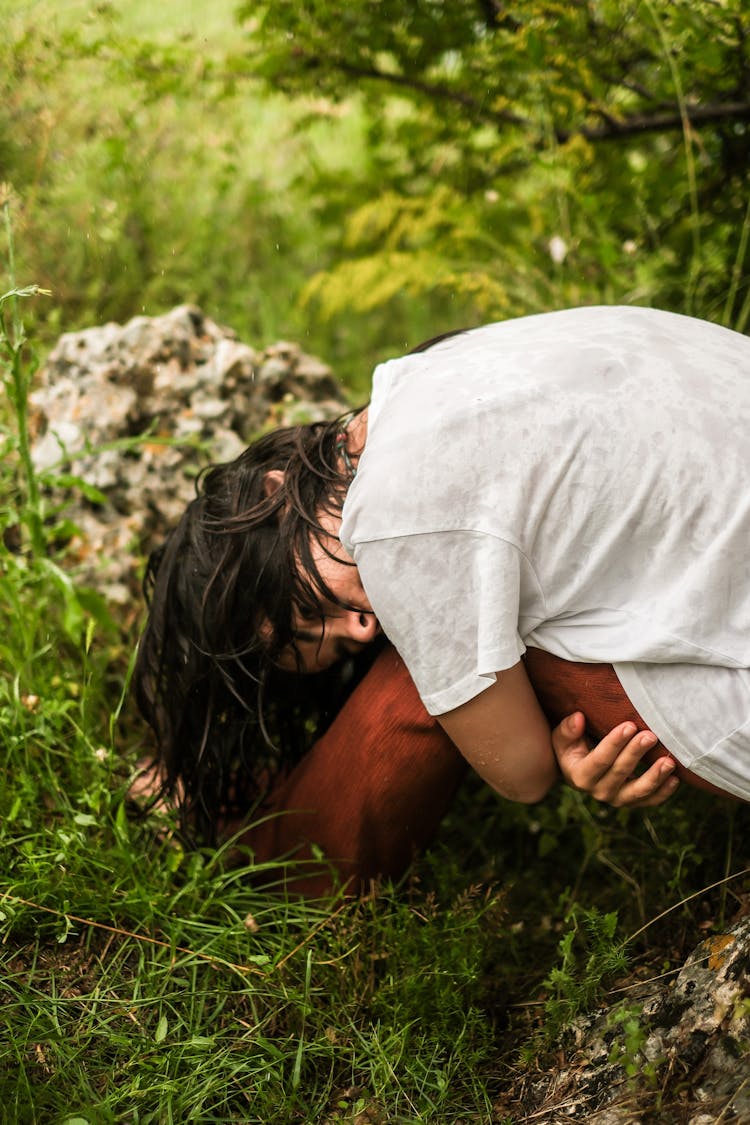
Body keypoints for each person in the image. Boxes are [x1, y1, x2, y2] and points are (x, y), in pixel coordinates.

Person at [133, 305, 750, 896]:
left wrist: (554, 758)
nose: (361, 626)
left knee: (439, 657)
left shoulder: (394, 519)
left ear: (275, 493)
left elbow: (523, 773)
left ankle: (283, 863)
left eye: (308, 608)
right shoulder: (434, 374)